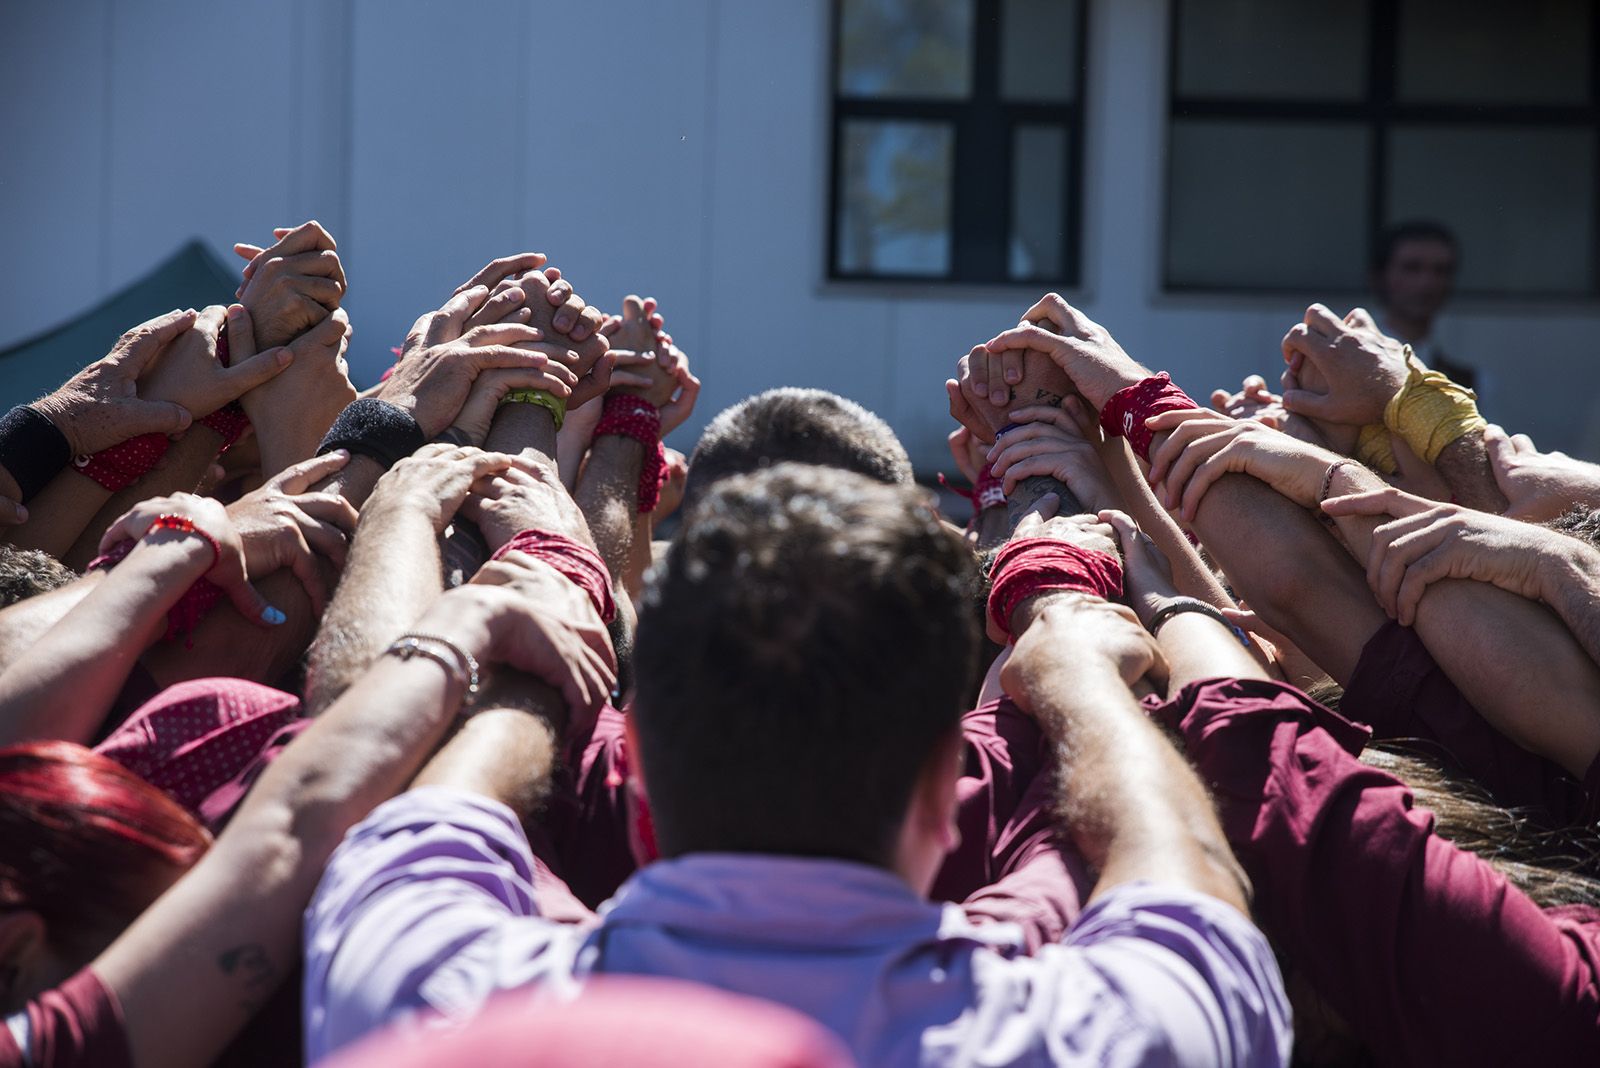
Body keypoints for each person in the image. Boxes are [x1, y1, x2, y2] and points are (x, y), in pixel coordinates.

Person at [1370, 220, 1475, 389]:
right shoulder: (1348, 363)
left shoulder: (1468, 382)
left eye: (1440, 270)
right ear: (1381, 276)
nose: (1426, 283)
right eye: (1411, 268)